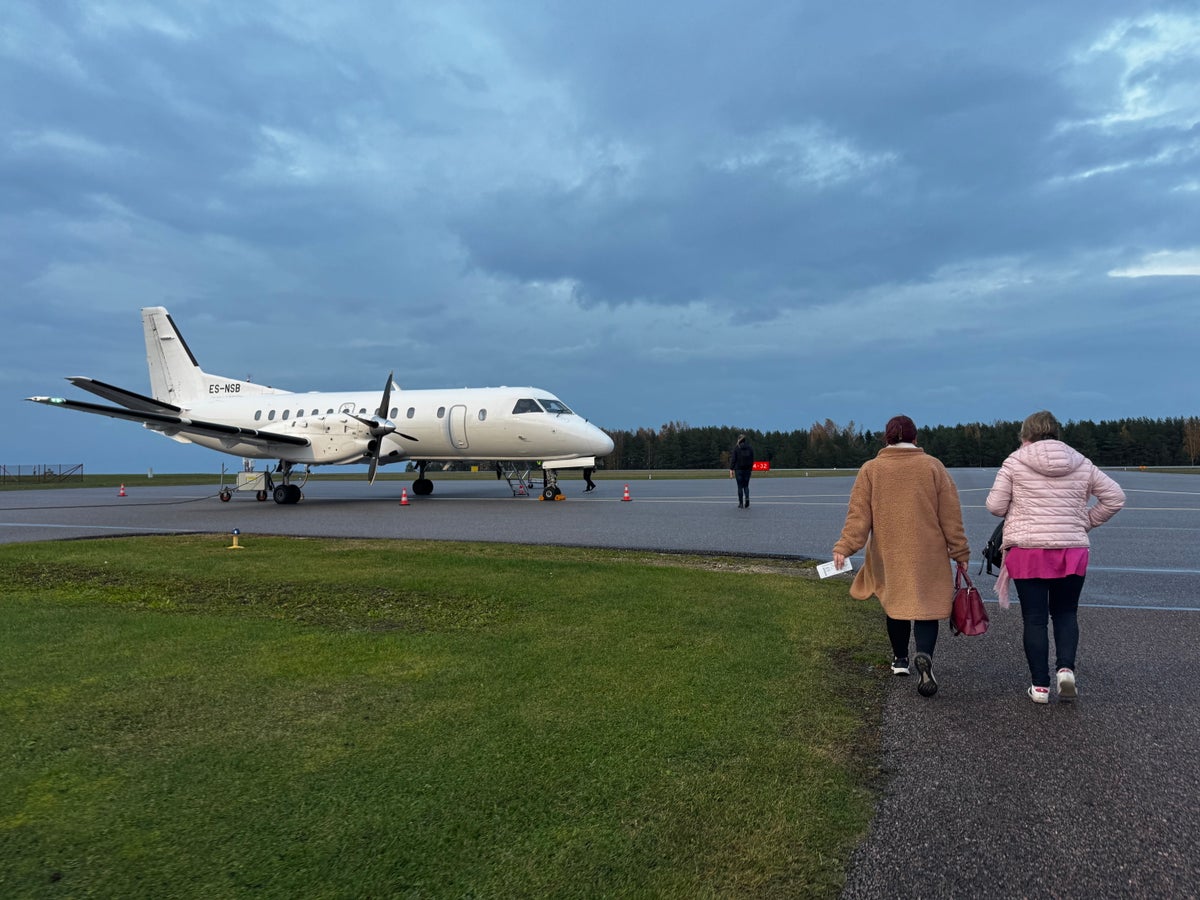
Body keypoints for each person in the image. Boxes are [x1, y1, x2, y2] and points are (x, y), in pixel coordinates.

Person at [986, 410, 1125, 704]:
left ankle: (1039, 686)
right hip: (1071, 550)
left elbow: (996, 506)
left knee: (1034, 619)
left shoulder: (1014, 462)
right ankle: (1065, 670)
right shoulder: (1081, 462)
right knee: (1065, 613)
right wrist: (1085, 521)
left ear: (1026, 434)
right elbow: (1115, 497)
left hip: (1027, 551)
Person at [832, 415, 970, 697]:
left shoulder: (871, 469)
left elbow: (858, 516)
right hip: (929, 551)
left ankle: (900, 659)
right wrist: (959, 551)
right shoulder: (933, 466)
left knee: (894, 603)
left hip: (889, 551)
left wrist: (845, 547)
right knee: (926, 606)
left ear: (886, 438)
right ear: (915, 438)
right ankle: (924, 654)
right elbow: (951, 516)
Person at [729, 434, 755, 508]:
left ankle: (741, 503)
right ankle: (747, 498)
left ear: (739, 440)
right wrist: (750, 469)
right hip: (747, 470)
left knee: (740, 486)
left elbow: (733, 460)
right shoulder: (750, 448)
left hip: (739, 470)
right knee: (746, 486)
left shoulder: (737, 448)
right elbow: (752, 459)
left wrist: (731, 469)